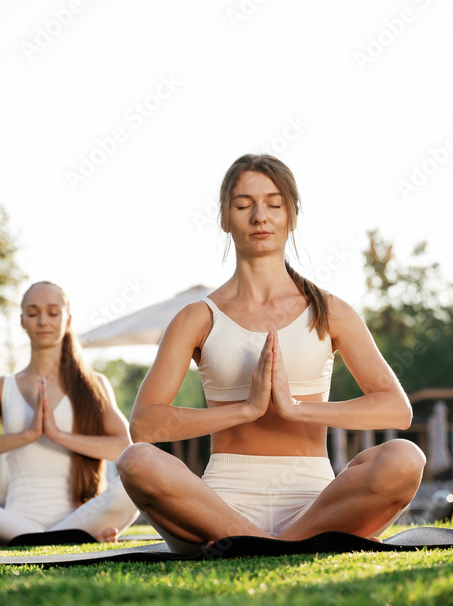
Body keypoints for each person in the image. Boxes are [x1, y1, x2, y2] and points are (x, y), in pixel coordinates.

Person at [116, 154, 426, 554]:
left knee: (405, 457)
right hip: (219, 504)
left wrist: (295, 408)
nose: (259, 216)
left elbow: (395, 411)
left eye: (273, 204)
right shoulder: (197, 317)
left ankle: (260, 545)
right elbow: (144, 426)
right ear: (225, 218)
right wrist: (246, 410)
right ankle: (279, 545)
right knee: (137, 461)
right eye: (243, 205)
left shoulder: (328, 311)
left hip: (314, 502)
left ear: (291, 216)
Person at [0, 281, 139, 547]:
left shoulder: (94, 384)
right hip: (18, 518)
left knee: (134, 486)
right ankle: (71, 540)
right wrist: (28, 434)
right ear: (22, 321)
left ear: (68, 320)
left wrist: (58, 435)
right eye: (33, 313)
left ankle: (17, 541)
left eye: (53, 313)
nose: (43, 321)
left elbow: (124, 448)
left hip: (81, 516)